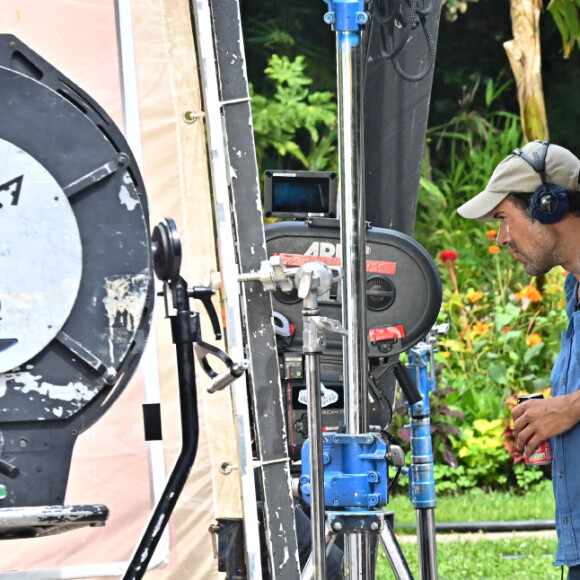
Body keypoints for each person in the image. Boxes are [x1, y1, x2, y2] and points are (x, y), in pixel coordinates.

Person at [457, 140, 580, 580]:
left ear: (547, 206)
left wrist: (568, 408)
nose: (501, 238)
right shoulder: (574, 289)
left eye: (504, 219)